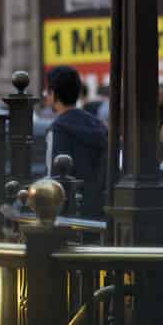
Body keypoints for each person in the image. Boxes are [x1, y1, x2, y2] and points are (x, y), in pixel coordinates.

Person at [45, 65, 109, 219]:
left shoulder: (58, 129)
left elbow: (53, 178)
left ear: (53, 94)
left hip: (69, 214)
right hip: (99, 211)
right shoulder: (99, 125)